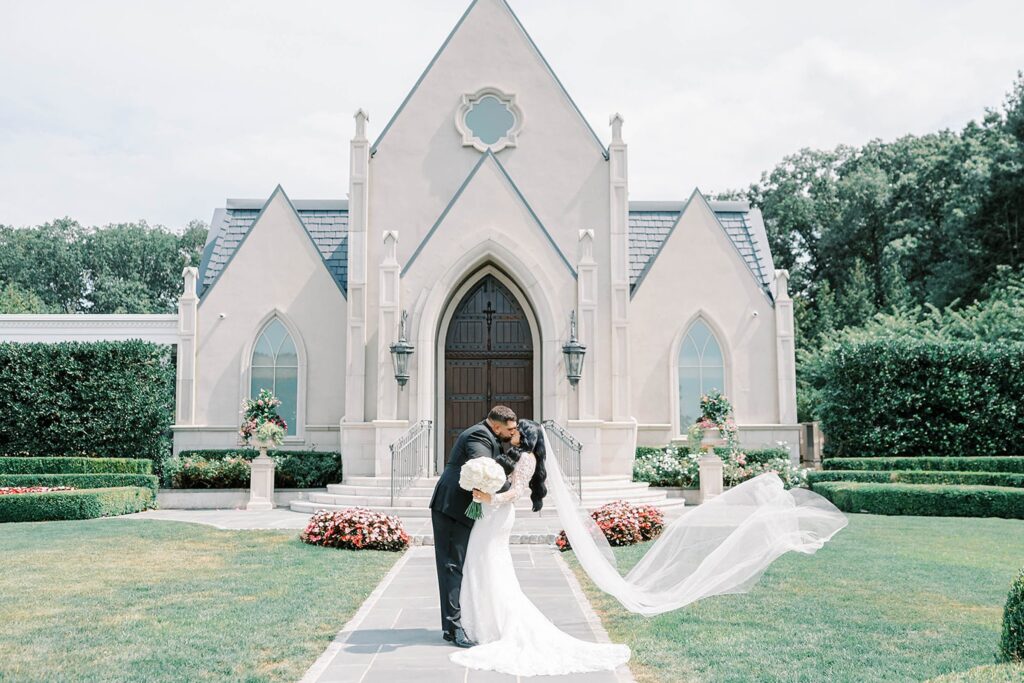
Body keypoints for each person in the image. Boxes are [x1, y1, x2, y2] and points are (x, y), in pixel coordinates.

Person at [449, 419, 631, 676]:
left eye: (516, 430)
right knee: (480, 563)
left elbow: (516, 492)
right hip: (488, 513)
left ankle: (493, 624)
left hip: (498, 513)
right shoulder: (513, 454)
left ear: (523, 436)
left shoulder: (528, 459)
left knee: (489, 564)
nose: (511, 432)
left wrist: (491, 497)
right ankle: (478, 621)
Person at [428, 405, 518, 648]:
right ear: (496, 426)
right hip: (452, 507)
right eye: (509, 429)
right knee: (451, 566)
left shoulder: (494, 436)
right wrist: (510, 489)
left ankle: (458, 622)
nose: (513, 433)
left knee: (462, 565)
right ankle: (454, 628)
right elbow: (487, 473)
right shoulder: (478, 436)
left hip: (467, 509)